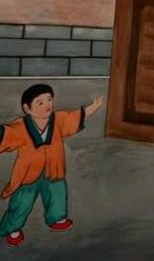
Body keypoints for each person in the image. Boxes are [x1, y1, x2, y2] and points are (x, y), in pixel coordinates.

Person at [0, 84, 104, 247]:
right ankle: (12, 228)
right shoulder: (20, 127)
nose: (47, 105)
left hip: (54, 169)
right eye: (40, 102)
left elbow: (74, 117)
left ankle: (57, 219)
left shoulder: (58, 120)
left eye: (49, 99)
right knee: (21, 203)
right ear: (27, 108)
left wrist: (94, 106)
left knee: (57, 194)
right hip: (27, 175)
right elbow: (6, 135)